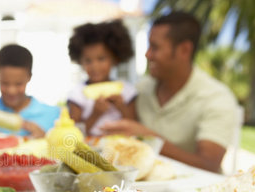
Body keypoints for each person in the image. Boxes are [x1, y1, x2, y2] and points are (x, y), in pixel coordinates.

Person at [100, 11, 238, 173]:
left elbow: (209, 164)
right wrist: (123, 111)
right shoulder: (141, 89)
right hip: (140, 188)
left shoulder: (216, 98)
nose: (147, 54)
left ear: (184, 50)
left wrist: (149, 139)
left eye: (155, 47)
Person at [67, 20, 137, 136]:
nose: (95, 67)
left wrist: (122, 107)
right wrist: (95, 114)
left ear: (115, 58)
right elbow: (73, 133)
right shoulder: (77, 94)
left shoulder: (127, 91)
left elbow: (135, 125)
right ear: (80, 61)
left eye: (101, 59)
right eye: (88, 60)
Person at [0, 44, 60, 138]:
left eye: (19, 84)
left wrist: (45, 139)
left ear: (29, 77)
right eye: (5, 83)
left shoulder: (54, 115)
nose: (12, 91)